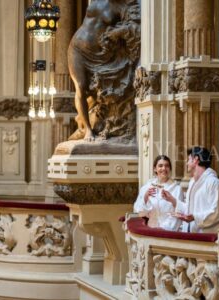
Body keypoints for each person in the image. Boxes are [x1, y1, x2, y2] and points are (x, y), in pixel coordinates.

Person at [68, 0, 140, 141]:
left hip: (101, 56)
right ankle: (88, 129)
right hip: (78, 48)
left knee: (97, 93)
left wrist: (117, 32)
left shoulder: (124, 6)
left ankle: (82, 120)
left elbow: (133, 27)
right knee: (81, 87)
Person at [162, 147, 219, 233]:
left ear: (196, 160)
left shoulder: (214, 183)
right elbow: (190, 210)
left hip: (209, 238)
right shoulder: (192, 182)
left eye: (188, 159)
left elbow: (217, 212)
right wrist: (172, 200)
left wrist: (194, 217)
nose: (187, 163)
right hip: (192, 236)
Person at [134, 155, 184, 231]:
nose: (164, 168)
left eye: (167, 166)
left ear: (170, 169)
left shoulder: (177, 189)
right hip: (150, 230)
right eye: (160, 166)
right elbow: (139, 212)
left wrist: (164, 229)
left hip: (169, 231)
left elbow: (178, 214)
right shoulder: (147, 187)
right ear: (155, 169)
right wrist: (145, 198)